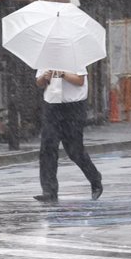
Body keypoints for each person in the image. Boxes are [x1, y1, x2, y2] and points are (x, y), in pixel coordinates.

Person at [34, 68, 103, 202]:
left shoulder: (75, 55)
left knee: (74, 149)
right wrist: (44, 77)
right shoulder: (46, 56)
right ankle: (49, 191)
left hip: (74, 106)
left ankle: (95, 178)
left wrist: (63, 74)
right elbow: (39, 83)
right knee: (48, 147)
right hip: (52, 104)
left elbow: (80, 81)